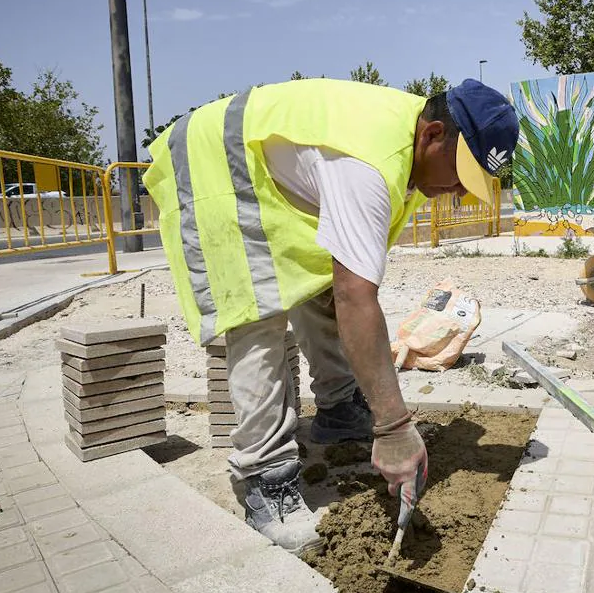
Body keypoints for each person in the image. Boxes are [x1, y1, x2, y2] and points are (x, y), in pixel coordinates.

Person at [144, 77, 518, 554]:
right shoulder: (366, 164)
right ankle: (264, 477)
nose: (459, 195)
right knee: (257, 315)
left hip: (266, 171)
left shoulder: (410, 148)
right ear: (433, 134)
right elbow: (357, 298)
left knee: (322, 282)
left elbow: (345, 286)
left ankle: (339, 408)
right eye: (459, 175)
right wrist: (394, 426)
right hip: (216, 166)